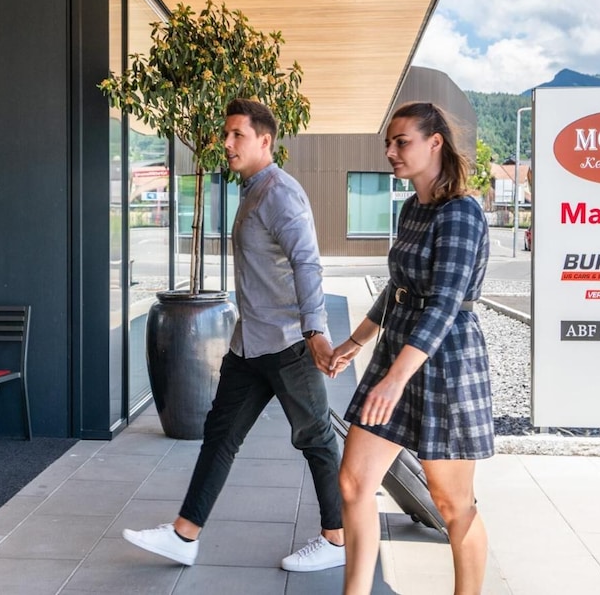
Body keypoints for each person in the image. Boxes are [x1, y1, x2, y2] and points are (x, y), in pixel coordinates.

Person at [122, 98, 346, 572]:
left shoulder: (280, 193)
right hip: (249, 346)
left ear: (265, 141)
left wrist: (314, 331)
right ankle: (185, 535)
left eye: (236, 134)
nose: (226, 143)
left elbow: (307, 263)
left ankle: (337, 538)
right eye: (226, 134)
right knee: (220, 435)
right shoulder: (252, 190)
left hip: (287, 344)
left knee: (316, 438)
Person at [331, 102, 493, 595]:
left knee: (452, 504)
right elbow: (398, 286)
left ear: (434, 142)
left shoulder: (461, 212)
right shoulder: (412, 208)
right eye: (389, 143)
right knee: (354, 483)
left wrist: (394, 380)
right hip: (398, 349)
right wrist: (356, 341)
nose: (390, 152)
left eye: (401, 142)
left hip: (445, 360)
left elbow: (444, 305)